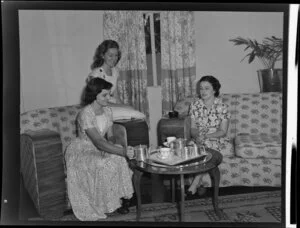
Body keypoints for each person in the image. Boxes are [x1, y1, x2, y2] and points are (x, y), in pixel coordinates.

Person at [65, 77, 135, 221]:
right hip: (82, 150)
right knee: (103, 163)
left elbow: (110, 136)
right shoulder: (85, 114)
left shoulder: (108, 111)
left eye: (109, 94)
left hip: (100, 145)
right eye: (104, 95)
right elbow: (97, 141)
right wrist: (121, 151)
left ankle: (121, 199)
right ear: (94, 95)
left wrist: (113, 145)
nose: (109, 97)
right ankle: (103, 204)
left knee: (118, 158)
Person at [186, 75, 233, 199]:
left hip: (217, 139)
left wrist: (205, 136)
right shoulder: (194, 106)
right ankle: (199, 183)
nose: (203, 91)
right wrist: (197, 136)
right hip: (199, 138)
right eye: (201, 88)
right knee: (189, 149)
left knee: (205, 149)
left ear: (214, 90)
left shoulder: (222, 107)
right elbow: (193, 128)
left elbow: (223, 131)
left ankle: (195, 183)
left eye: (207, 88)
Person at [87, 39, 129, 108]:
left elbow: (116, 96)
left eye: (116, 55)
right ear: (102, 55)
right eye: (110, 55)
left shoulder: (115, 71)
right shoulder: (95, 74)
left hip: (112, 105)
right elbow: (98, 101)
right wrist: (119, 107)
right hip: (101, 107)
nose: (114, 58)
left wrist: (124, 106)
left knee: (132, 111)